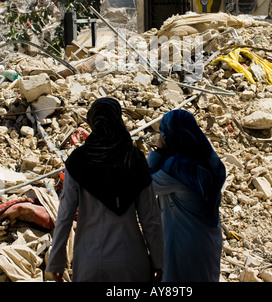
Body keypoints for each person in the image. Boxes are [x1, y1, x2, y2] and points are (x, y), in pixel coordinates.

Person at [46, 97, 164, 282]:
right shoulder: (134, 159)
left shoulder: (79, 161)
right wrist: (159, 261)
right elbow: (150, 218)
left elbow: (65, 215)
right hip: (131, 259)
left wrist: (56, 262)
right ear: (118, 119)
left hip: (90, 259)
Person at [147, 108, 226, 282]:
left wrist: (158, 152)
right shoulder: (204, 162)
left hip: (185, 244)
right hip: (207, 238)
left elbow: (144, 185)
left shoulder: (177, 169)